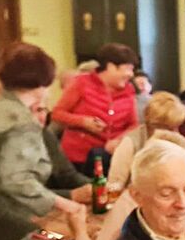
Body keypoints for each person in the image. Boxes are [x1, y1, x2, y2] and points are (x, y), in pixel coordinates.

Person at [0, 44, 84, 220]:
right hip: (3, 216)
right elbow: (17, 181)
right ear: (44, 82)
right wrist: (66, 205)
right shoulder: (21, 121)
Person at [51, 43, 139, 173]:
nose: (131, 74)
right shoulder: (81, 83)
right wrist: (83, 122)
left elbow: (133, 125)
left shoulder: (129, 90)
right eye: (127, 69)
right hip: (78, 159)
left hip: (112, 158)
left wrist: (118, 140)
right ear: (111, 67)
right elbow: (57, 113)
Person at [108, 91, 185, 188]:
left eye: (176, 127)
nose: (174, 133)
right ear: (151, 123)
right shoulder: (130, 143)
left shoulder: (180, 141)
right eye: (167, 127)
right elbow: (114, 185)